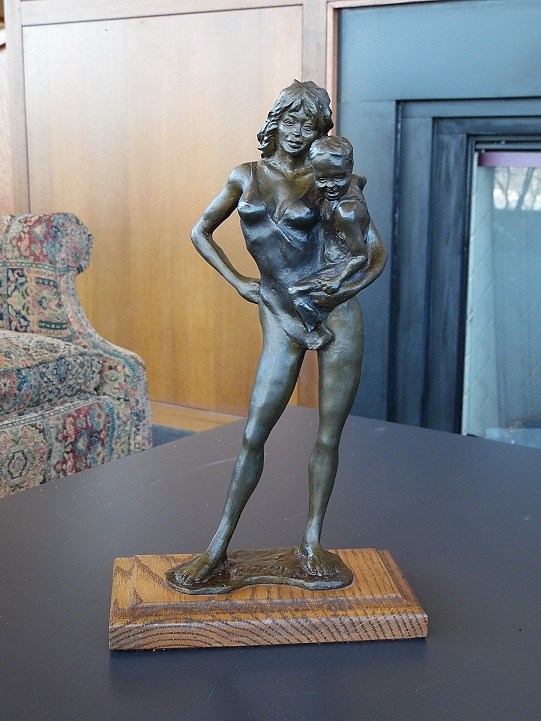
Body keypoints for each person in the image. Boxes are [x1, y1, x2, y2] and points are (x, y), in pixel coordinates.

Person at [173, 80, 387, 586]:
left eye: (308, 126)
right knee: (254, 432)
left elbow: (374, 252)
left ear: (320, 132)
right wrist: (239, 282)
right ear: (275, 121)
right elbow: (200, 231)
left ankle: (311, 542)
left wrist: (336, 291)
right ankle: (217, 547)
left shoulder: (330, 177)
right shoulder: (245, 175)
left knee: (328, 435)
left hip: (335, 311)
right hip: (278, 307)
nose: (296, 133)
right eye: (289, 121)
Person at [288, 136, 370, 347]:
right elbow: (361, 179)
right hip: (327, 262)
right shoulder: (353, 182)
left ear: (349, 169)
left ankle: (319, 330)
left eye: (339, 178)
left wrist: (338, 280)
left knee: (295, 292)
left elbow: (360, 256)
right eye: (322, 179)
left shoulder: (346, 212)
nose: (331, 186)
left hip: (337, 267)